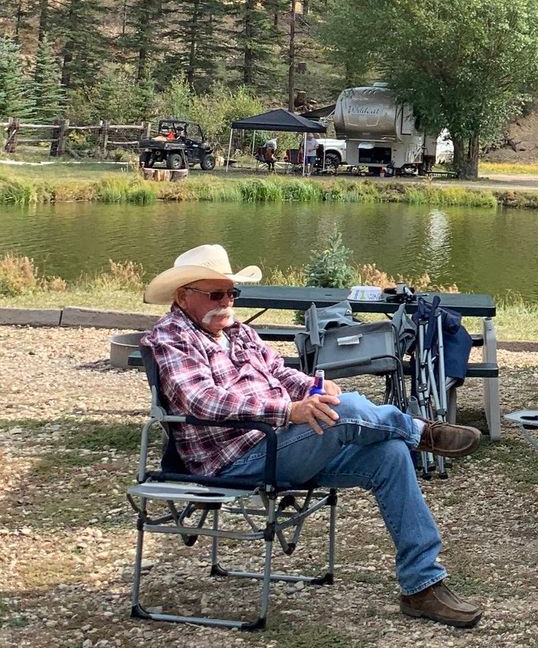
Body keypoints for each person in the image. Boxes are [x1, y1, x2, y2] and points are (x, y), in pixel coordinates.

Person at [140, 243, 483, 628]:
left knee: (388, 453)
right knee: (348, 411)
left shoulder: (238, 332)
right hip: (235, 459)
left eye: (232, 293)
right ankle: (419, 431)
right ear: (184, 296)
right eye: (216, 294)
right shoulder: (170, 337)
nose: (227, 302)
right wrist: (288, 410)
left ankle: (423, 586)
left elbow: (279, 374)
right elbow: (202, 401)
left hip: (280, 443)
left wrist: (315, 388)